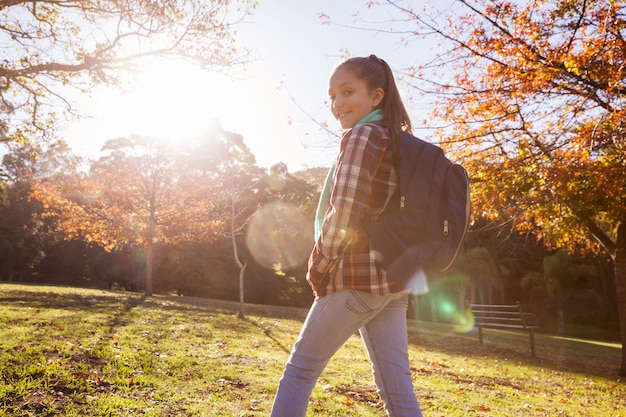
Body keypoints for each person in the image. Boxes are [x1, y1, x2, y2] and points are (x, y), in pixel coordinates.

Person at [270, 55, 423, 417]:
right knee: (397, 390)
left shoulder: (362, 136)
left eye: (348, 92)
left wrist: (319, 265)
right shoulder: (398, 141)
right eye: (332, 96)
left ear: (376, 97)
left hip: (356, 277)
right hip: (393, 282)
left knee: (299, 372)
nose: (337, 104)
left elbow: (346, 212)